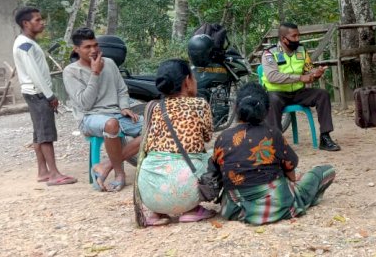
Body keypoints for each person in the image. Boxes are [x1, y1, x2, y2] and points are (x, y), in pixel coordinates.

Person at [212, 83, 336, 225]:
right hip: (277, 205)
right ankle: (301, 199)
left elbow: (218, 172)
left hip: (234, 209)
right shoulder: (272, 134)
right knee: (326, 171)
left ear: (236, 108)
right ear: (267, 110)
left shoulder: (223, 137)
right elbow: (291, 172)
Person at [135, 59, 214, 226]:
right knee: (216, 155)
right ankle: (192, 210)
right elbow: (207, 137)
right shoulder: (200, 104)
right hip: (185, 191)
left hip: (149, 191)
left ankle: (157, 213)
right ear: (187, 81)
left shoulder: (154, 107)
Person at [63, 27, 142, 192]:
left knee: (156, 127)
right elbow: (85, 104)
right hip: (90, 117)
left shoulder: (110, 63)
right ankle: (119, 174)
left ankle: (106, 165)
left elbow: (121, 90)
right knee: (111, 124)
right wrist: (95, 73)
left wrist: (125, 107)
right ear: (76, 49)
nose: (93, 50)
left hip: (116, 114)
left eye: (95, 45)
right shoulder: (71, 72)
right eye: (87, 47)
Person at [12, 7, 77, 186]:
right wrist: (50, 96)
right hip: (37, 93)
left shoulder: (27, 42)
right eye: (37, 20)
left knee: (39, 133)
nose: (42, 23)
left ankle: (43, 171)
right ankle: (54, 174)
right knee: (46, 134)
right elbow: (34, 73)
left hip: (34, 92)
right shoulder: (24, 45)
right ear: (26, 23)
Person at [261, 22, 340, 151]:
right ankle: (275, 142)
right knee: (272, 100)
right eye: (294, 36)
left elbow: (308, 70)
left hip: (298, 92)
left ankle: (325, 137)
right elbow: (272, 76)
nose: (298, 39)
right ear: (283, 39)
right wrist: (299, 77)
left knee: (322, 94)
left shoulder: (301, 50)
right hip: (277, 93)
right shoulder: (270, 53)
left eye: (299, 36)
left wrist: (316, 73)